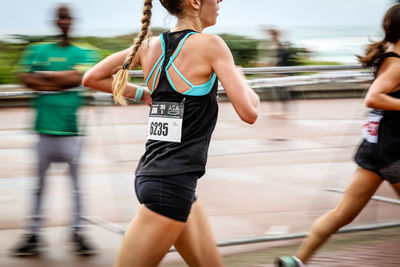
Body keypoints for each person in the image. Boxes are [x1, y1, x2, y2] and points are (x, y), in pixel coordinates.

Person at [83, 0, 260, 265]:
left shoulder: (149, 46)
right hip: (170, 187)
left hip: (163, 178)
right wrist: (241, 79)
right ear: (195, 2)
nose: (221, 0)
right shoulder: (212, 45)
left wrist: (142, 93)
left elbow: (93, 77)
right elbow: (250, 113)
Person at [275, 4, 400, 267]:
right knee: (342, 213)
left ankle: (296, 260)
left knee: (342, 214)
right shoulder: (397, 65)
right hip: (393, 153)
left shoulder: (389, 58)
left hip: (375, 151)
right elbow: (374, 98)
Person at [11, 5, 99, 256]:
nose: (64, 21)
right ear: (55, 22)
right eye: (60, 17)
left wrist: (46, 76)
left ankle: (79, 232)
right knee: (38, 186)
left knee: (77, 186)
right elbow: (26, 79)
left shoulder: (84, 52)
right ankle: (34, 234)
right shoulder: (37, 49)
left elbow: (78, 79)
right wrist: (61, 81)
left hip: (71, 131)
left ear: (73, 21)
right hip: (43, 129)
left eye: (67, 17)